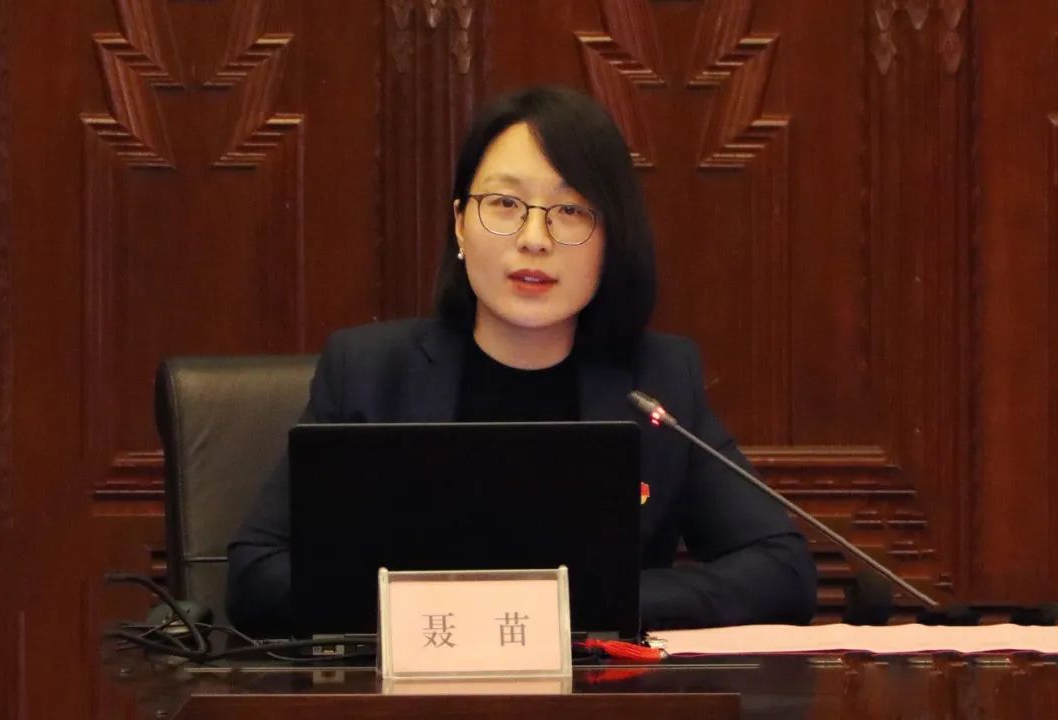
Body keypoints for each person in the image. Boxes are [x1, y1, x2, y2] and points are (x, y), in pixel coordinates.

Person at [227, 86, 817, 635]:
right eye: (505, 203)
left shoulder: (657, 383)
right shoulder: (368, 373)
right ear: (460, 225)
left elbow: (781, 570)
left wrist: (588, 603)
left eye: (571, 211)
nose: (535, 237)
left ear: (612, 241)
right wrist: (438, 609)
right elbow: (256, 573)